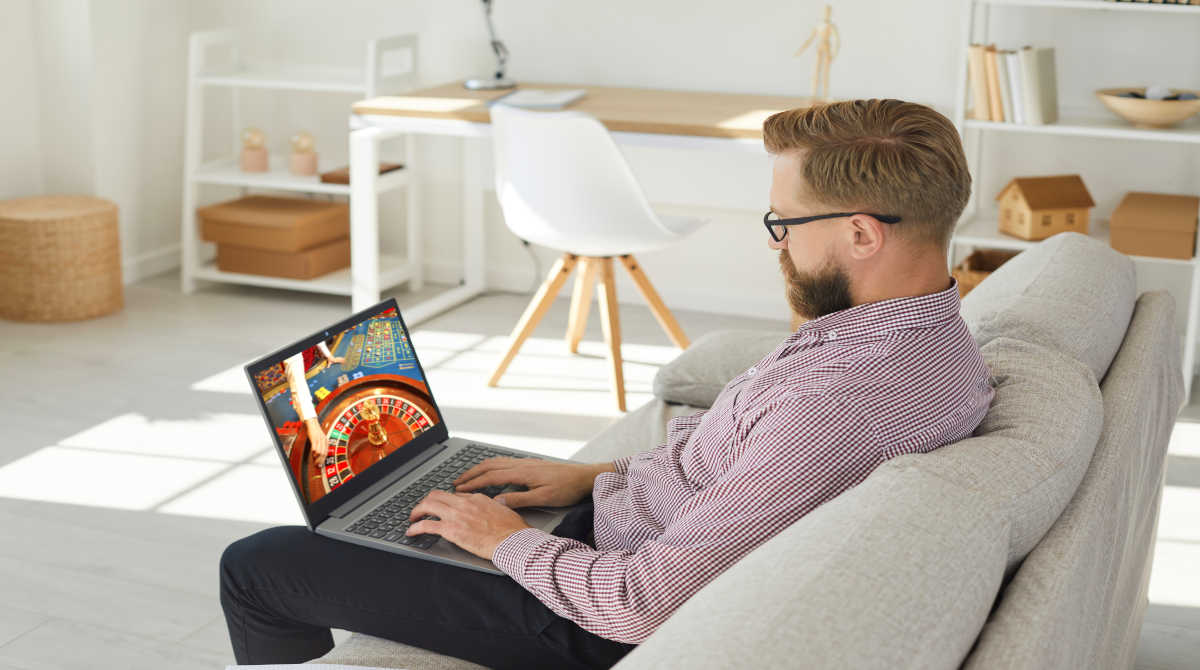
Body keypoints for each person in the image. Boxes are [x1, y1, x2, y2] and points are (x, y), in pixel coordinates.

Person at [219, 98, 995, 669]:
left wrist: (509, 542)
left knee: (261, 564)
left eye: (783, 224)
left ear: (862, 234)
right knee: (416, 500)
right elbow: (743, 475)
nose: (777, 245)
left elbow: (640, 605)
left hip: (590, 621)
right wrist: (595, 474)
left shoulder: (833, 406)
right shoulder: (928, 338)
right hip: (617, 529)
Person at [281, 340, 345, 466]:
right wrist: (313, 425)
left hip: (310, 362)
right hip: (296, 366)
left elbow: (317, 338)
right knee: (297, 374)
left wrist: (329, 356)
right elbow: (295, 374)